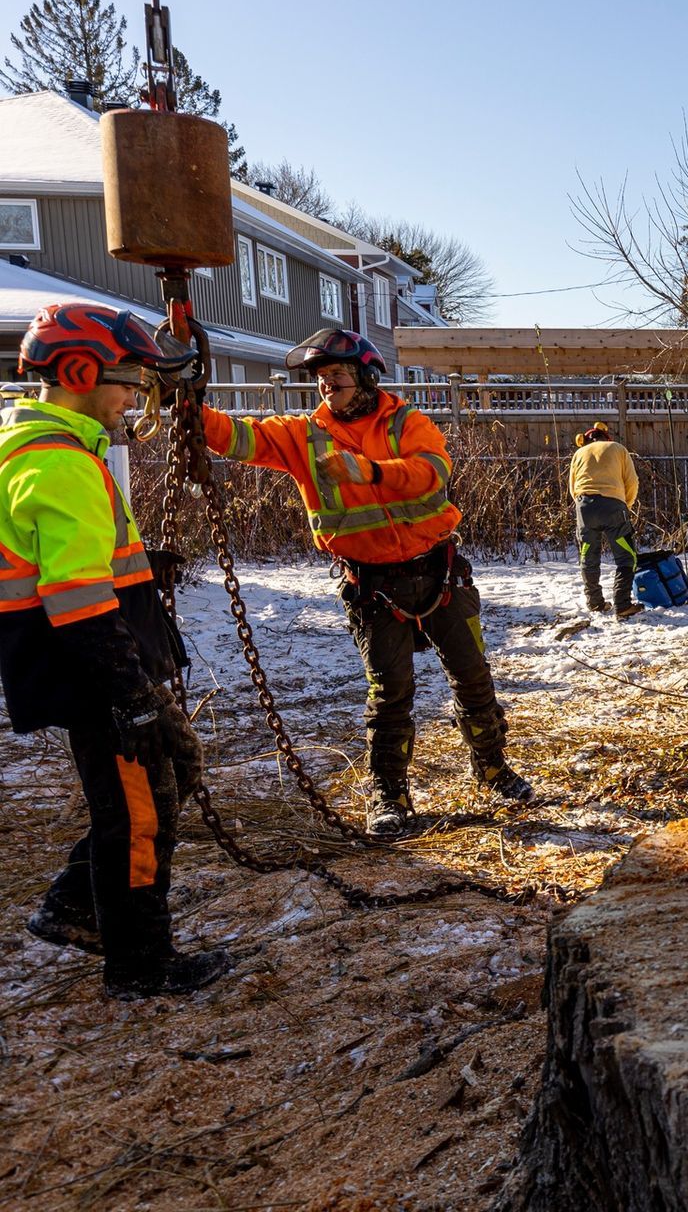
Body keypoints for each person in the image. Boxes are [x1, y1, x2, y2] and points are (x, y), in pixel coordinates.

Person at [196, 329, 532, 837]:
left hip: (439, 572)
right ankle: (390, 794)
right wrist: (185, 399)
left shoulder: (405, 422)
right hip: (372, 586)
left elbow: (431, 473)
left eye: (338, 376)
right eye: (322, 379)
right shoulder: (303, 435)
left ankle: (492, 768)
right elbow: (236, 438)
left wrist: (370, 471)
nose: (327, 386)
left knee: (473, 676)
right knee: (390, 692)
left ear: (367, 377)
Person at [0, 303, 230, 998]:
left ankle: (77, 904)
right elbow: (77, 601)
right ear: (77, 372)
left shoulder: (56, 454)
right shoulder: (59, 463)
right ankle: (139, 963)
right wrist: (131, 695)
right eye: (127, 380)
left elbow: (78, 563)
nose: (135, 397)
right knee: (136, 816)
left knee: (159, 786)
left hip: (99, 666)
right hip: (96, 674)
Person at [568, 421, 641, 618]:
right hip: (613, 506)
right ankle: (622, 604)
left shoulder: (578, 454)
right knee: (626, 556)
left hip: (585, 507)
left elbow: (573, 487)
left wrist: (583, 506)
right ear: (605, 437)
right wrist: (626, 504)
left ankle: (595, 603)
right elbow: (632, 482)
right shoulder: (618, 448)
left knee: (588, 555)